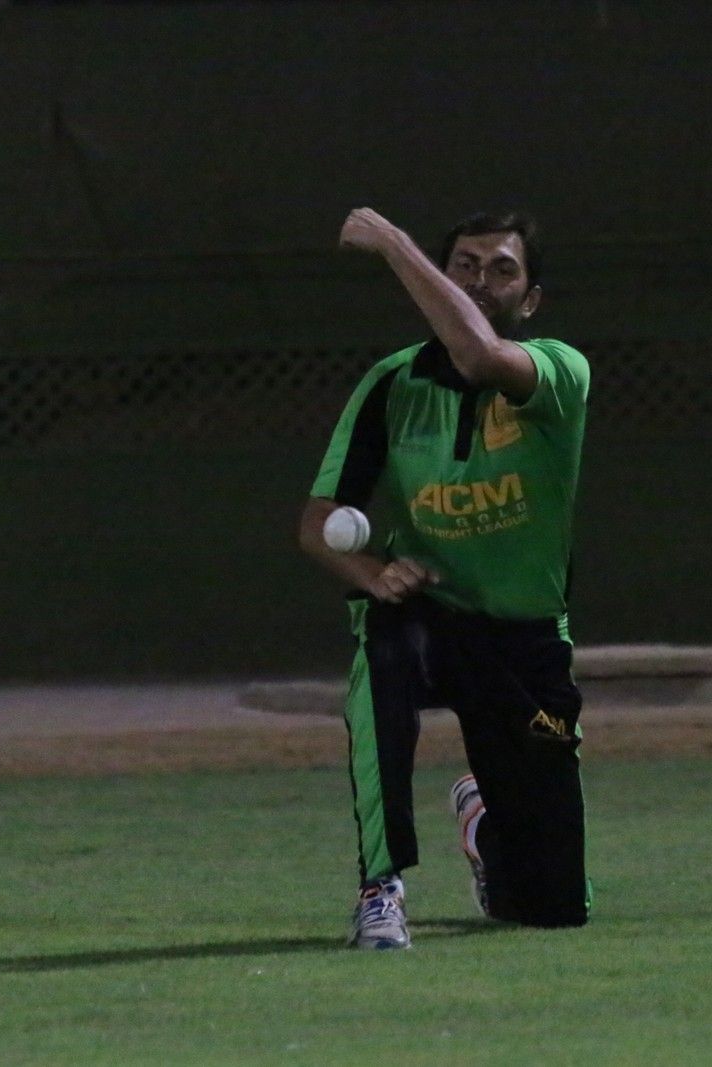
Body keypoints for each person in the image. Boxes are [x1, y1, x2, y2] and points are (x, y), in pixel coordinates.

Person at [299, 207, 592, 950]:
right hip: (429, 611)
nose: (481, 279)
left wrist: (393, 244)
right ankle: (381, 887)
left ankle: (484, 824)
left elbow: (480, 356)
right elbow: (317, 521)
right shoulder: (392, 382)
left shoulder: (559, 370)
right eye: (465, 264)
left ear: (531, 299)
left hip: (525, 636)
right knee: (383, 653)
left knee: (553, 906)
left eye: (502, 269)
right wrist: (373, 572)